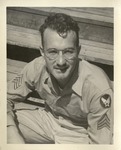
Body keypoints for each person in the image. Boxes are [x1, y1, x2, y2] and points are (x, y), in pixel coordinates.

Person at [7, 13, 113, 144]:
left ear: (78, 51)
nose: (61, 61)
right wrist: (12, 133)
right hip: (48, 122)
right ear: (42, 51)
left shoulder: (98, 88)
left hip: (81, 135)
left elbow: (101, 144)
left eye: (68, 51)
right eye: (53, 52)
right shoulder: (37, 67)